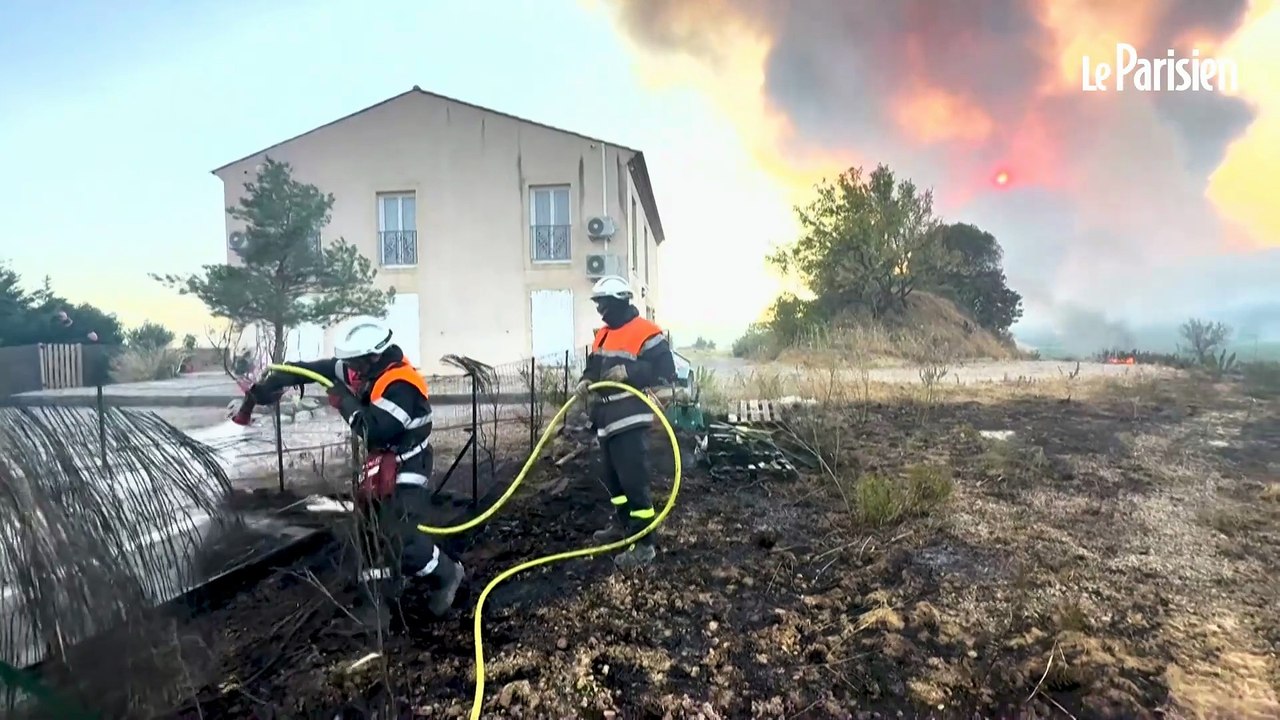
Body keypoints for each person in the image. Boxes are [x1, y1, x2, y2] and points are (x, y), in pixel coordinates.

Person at [242, 316, 465, 632]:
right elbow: (319, 369)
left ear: (373, 356)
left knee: (399, 537)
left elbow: (376, 430)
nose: (349, 370)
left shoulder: (402, 385)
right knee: (370, 533)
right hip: (382, 464)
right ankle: (379, 608)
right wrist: (277, 380)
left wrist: (345, 402)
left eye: (354, 363)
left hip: (409, 464)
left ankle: (446, 573)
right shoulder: (360, 367)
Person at [573, 275, 676, 568]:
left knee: (634, 482)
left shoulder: (646, 332)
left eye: (603, 304)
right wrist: (585, 380)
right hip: (605, 417)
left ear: (619, 302)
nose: (599, 310)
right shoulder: (603, 334)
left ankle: (644, 545)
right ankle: (622, 527)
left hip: (630, 417)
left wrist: (628, 372)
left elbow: (666, 371)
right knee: (615, 482)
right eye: (597, 304)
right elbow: (593, 366)